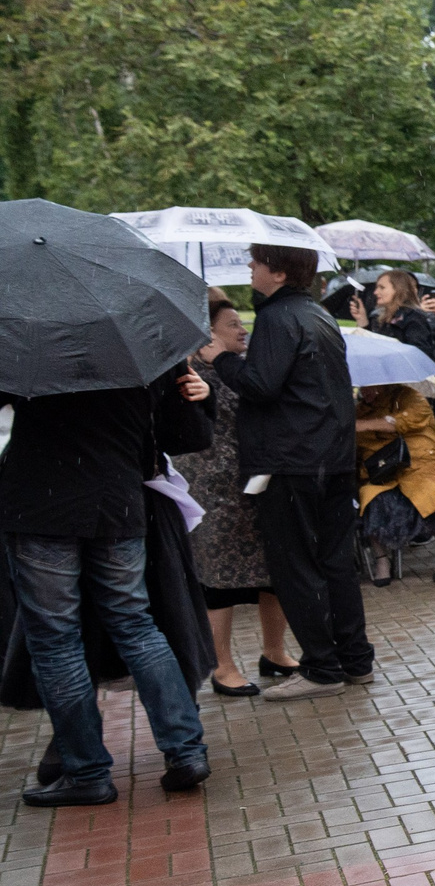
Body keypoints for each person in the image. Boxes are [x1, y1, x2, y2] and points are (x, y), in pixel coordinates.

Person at [1, 347, 215, 804]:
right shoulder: (144, 339)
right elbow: (185, 435)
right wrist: (200, 394)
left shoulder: (24, 338)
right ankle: (185, 750)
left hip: (41, 504)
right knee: (136, 625)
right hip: (117, 499)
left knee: (56, 641)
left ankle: (87, 772)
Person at [211, 242, 372, 698]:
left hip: (292, 462)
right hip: (331, 457)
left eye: (257, 262)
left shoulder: (277, 317)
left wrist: (219, 358)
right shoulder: (318, 314)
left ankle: (321, 667)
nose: (250, 267)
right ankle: (355, 660)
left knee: (296, 566)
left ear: (279, 273)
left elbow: (261, 385)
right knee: (336, 563)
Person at [174, 296, 294, 695]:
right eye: (233, 324)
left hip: (256, 485)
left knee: (272, 573)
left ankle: (274, 652)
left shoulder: (242, 367)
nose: (243, 330)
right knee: (218, 581)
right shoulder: (188, 373)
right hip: (213, 491)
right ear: (207, 333)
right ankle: (222, 667)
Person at [354, 381, 435, 585]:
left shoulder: (411, 397)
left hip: (423, 464)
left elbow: (403, 422)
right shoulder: (358, 411)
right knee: (369, 497)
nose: (367, 391)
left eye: (372, 386)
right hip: (383, 472)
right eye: (363, 387)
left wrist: (364, 425)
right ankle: (381, 560)